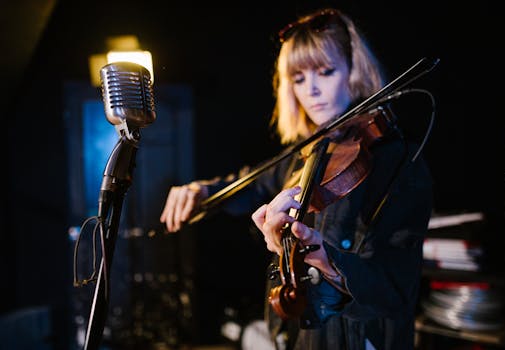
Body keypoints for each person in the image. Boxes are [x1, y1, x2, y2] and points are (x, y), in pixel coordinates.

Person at [160, 7, 433, 350]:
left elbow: (395, 291)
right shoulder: (304, 156)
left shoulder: (398, 160)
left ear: (354, 72)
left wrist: (327, 261)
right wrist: (201, 191)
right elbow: (249, 184)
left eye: (326, 71)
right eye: (299, 79)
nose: (312, 91)